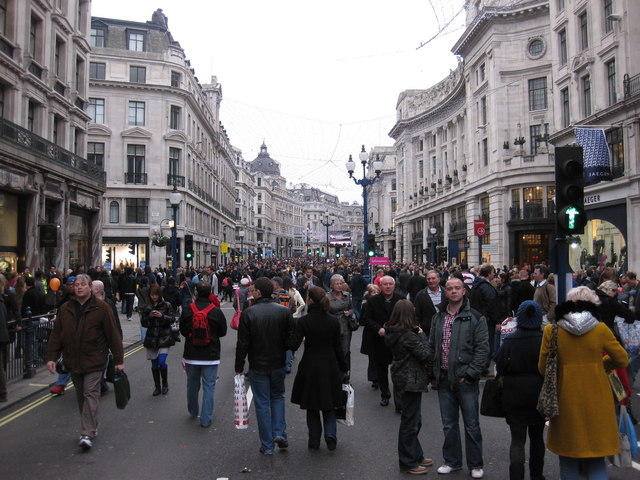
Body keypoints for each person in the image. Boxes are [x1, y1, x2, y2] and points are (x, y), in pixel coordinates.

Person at [539, 286, 628, 479]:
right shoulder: (600, 329)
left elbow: (543, 367)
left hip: (565, 397)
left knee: (568, 456)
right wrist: (601, 364)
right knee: (597, 458)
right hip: (598, 396)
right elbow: (622, 359)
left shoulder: (551, 331)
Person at [46, 274, 124, 450]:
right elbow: (57, 334)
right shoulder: (65, 308)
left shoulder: (102, 308)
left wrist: (119, 360)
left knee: (90, 394)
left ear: (90, 288)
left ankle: (86, 432)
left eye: (83, 284)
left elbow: (113, 335)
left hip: (95, 360)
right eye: (76, 285)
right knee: (82, 396)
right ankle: (92, 425)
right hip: (73, 360)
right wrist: (51, 357)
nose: (79, 287)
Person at [427, 277, 489, 479]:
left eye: (457, 288)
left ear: (464, 291)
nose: (453, 291)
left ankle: (475, 464)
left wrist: (471, 374)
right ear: (445, 292)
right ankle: (452, 461)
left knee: (471, 425)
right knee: (449, 424)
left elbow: (482, 350)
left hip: (465, 379)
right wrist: (432, 371)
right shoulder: (438, 317)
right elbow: (432, 345)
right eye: (450, 289)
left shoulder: (475, 318)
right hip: (444, 377)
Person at [234, 277, 296, 455]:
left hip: (258, 364)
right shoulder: (283, 312)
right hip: (277, 363)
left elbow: (242, 343)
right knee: (277, 397)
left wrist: (239, 366)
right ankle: (279, 433)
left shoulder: (250, 313)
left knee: (262, 403)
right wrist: (283, 348)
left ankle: (267, 445)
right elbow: (292, 339)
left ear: (259, 293)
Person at [290, 287, 348, 451]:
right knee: (329, 403)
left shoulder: (304, 321)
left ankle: (314, 440)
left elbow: (294, 344)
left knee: (312, 405)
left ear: (310, 300)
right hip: (329, 364)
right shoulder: (333, 320)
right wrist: (344, 367)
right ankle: (330, 435)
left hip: (310, 364)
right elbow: (338, 347)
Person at [495, 301, 545, 480]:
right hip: (538, 393)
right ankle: (537, 476)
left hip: (514, 394)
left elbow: (500, 366)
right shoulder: (543, 340)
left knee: (517, 440)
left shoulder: (510, 340)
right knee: (537, 438)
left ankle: (516, 476)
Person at [385, 299, 434, 475]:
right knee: (410, 422)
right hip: (410, 379)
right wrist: (421, 334)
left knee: (414, 419)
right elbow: (426, 354)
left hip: (403, 377)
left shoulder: (394, 332)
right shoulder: (409, 335)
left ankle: (416, 454)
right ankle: (408, 461)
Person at [179, 282, 227, 427]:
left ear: (196, 293)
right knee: (209, 387)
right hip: (211, 355)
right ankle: (206, 419)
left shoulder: (188, 310)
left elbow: (182, 331)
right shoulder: (216, 311)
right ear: (210, 293)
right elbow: (223, 332)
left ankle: (193, 410)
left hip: (191, 354)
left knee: (192, 385)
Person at [361, 275, 405, 411]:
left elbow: (407, 318)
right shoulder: (373, 301)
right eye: (384, 284)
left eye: (390, 284)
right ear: (380, 286)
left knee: (398, 371)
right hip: (379, 340)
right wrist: (378, 328)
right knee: (381, 370)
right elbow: (366, 319)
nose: (387, 286)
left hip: (397, 340)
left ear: (394, 286)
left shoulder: (400, 300)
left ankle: (399, 401)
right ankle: (385, 394)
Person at [141, 284, 176, 396]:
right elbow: (144, 323)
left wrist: (162, 316)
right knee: (154, 365)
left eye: (156, 295)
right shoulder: (147, 307)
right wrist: (150, 316)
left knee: (161, 361)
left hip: (164, 337)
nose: (154, 297)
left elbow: (172, 319)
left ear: (159, 295)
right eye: (152, 295)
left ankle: (165, 384)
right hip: (152, 339)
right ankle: (157, 387)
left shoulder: (166, 305)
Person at [327, 274, 356, 375]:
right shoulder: (327, 297)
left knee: (345, 352)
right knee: (334, 352)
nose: (339, 286)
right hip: (333, 327)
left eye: (341, 283)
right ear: (331, 285)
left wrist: (350, 312)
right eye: (337, 284)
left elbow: (352, 308)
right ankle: (334, 374)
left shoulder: (346, 295)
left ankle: (345, 375)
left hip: (346, 326)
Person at [414, 270, 445, 337]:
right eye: (428, 279)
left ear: (439, 279)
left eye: (433, 278)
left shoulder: (446, 293)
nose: (431, 281)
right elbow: (416, 314)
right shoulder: (421, 295)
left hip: (444, 330)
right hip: (427, 332)